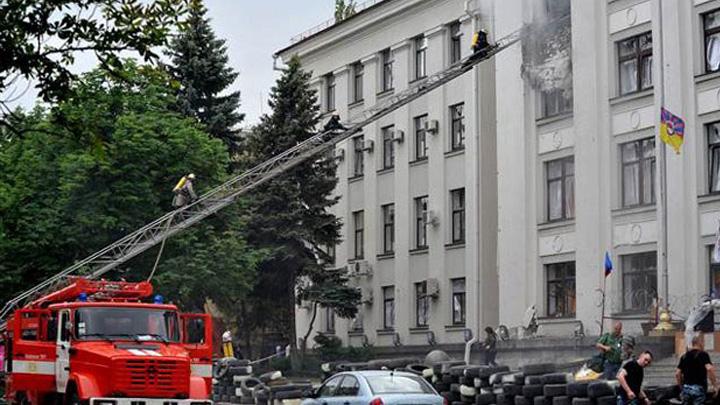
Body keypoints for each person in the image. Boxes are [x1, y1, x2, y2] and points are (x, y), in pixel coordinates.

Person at [676, 334, 718, 405]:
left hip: (686, 388)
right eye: (703, 342)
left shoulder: (684, 356)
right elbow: (709, 369)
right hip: (699, 388)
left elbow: (677, 373)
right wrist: (715, 386)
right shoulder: (703, 354)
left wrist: (681, 387)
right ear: (700, 343)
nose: (704, 345)